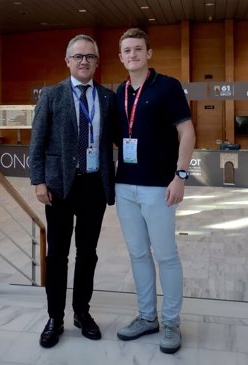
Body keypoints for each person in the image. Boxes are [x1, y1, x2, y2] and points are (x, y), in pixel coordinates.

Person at [29, 34, 116, 348]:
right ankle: (55, 317)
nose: (84, 61)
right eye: (78, 56)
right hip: (59, 187)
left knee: (88, 254)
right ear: (67, 61)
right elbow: (36, 143)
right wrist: (38, 181)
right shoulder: (52, 96)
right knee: (58, 255)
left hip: (94, 185)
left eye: (90, 56)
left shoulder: (107, 98)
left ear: (97, 61)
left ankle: (82, 311)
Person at [114, 28, 195, 354]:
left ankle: (171, 321)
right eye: (126, 51)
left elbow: (187, 131)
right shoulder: (119, 92)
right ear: (120, 57)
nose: (132, 54)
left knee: (166, 255)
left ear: (148, 53)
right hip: (125, 187)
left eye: (137, 49)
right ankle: (147, 317)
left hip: (159, 187)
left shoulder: (168, 86)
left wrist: (180, 176)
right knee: (137, 254)